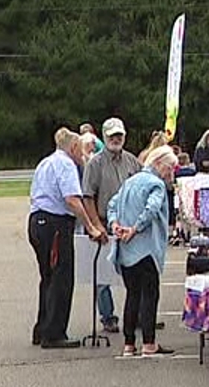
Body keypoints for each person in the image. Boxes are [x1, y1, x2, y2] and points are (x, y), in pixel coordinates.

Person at [28, 127, 106, 349]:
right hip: (55, 225)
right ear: (73, 147)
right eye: (81, 150)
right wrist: (90, 227)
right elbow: (72, 199)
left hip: (38, 221)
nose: (83, 155)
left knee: (48, 277)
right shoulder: (66, 164)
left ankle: (42, 328)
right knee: (61, 277)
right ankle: (54, 332)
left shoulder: (46, 162)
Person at [109, 145, 179, 357]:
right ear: (158, 164)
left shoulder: (130, 181)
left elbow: (112, 204)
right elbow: (152, 208)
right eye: (169, 168)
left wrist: (115, 224)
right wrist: (136, 228)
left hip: (127, 250)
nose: (171, 173)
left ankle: (129, 343)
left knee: (132, 295)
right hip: (146, 249)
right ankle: (149, 343)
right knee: (150, 295)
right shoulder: (155, 184)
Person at [81, 117, 140, 334]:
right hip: (104, 222)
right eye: (112, 135)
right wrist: (96, 226)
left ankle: (139, 314)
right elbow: (87, 196)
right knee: (103, 275)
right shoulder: (95, 163)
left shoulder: (132, 161)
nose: (116, 139)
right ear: (104, 137)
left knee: (134, 271)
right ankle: (108, 316)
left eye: (119, 135)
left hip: (129, 224)